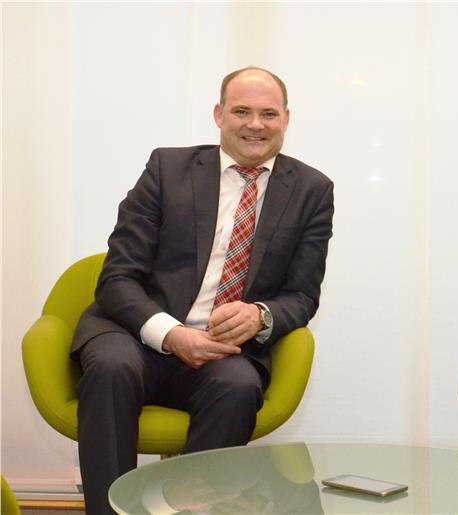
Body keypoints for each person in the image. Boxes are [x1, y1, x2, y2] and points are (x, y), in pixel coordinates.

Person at [70, 67, 334, 514]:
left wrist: (260, 315)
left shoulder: (312, 190)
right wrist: (172, 334)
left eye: (269, 114)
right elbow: (117, 277)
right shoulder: (166, 168)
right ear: (219, 114)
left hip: (221, 350)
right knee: (112, 368)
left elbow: (302, 296)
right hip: (135, 333)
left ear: (286, 119)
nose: (255, 124)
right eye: (242, 111)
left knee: (239, 387)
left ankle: (182, 510)